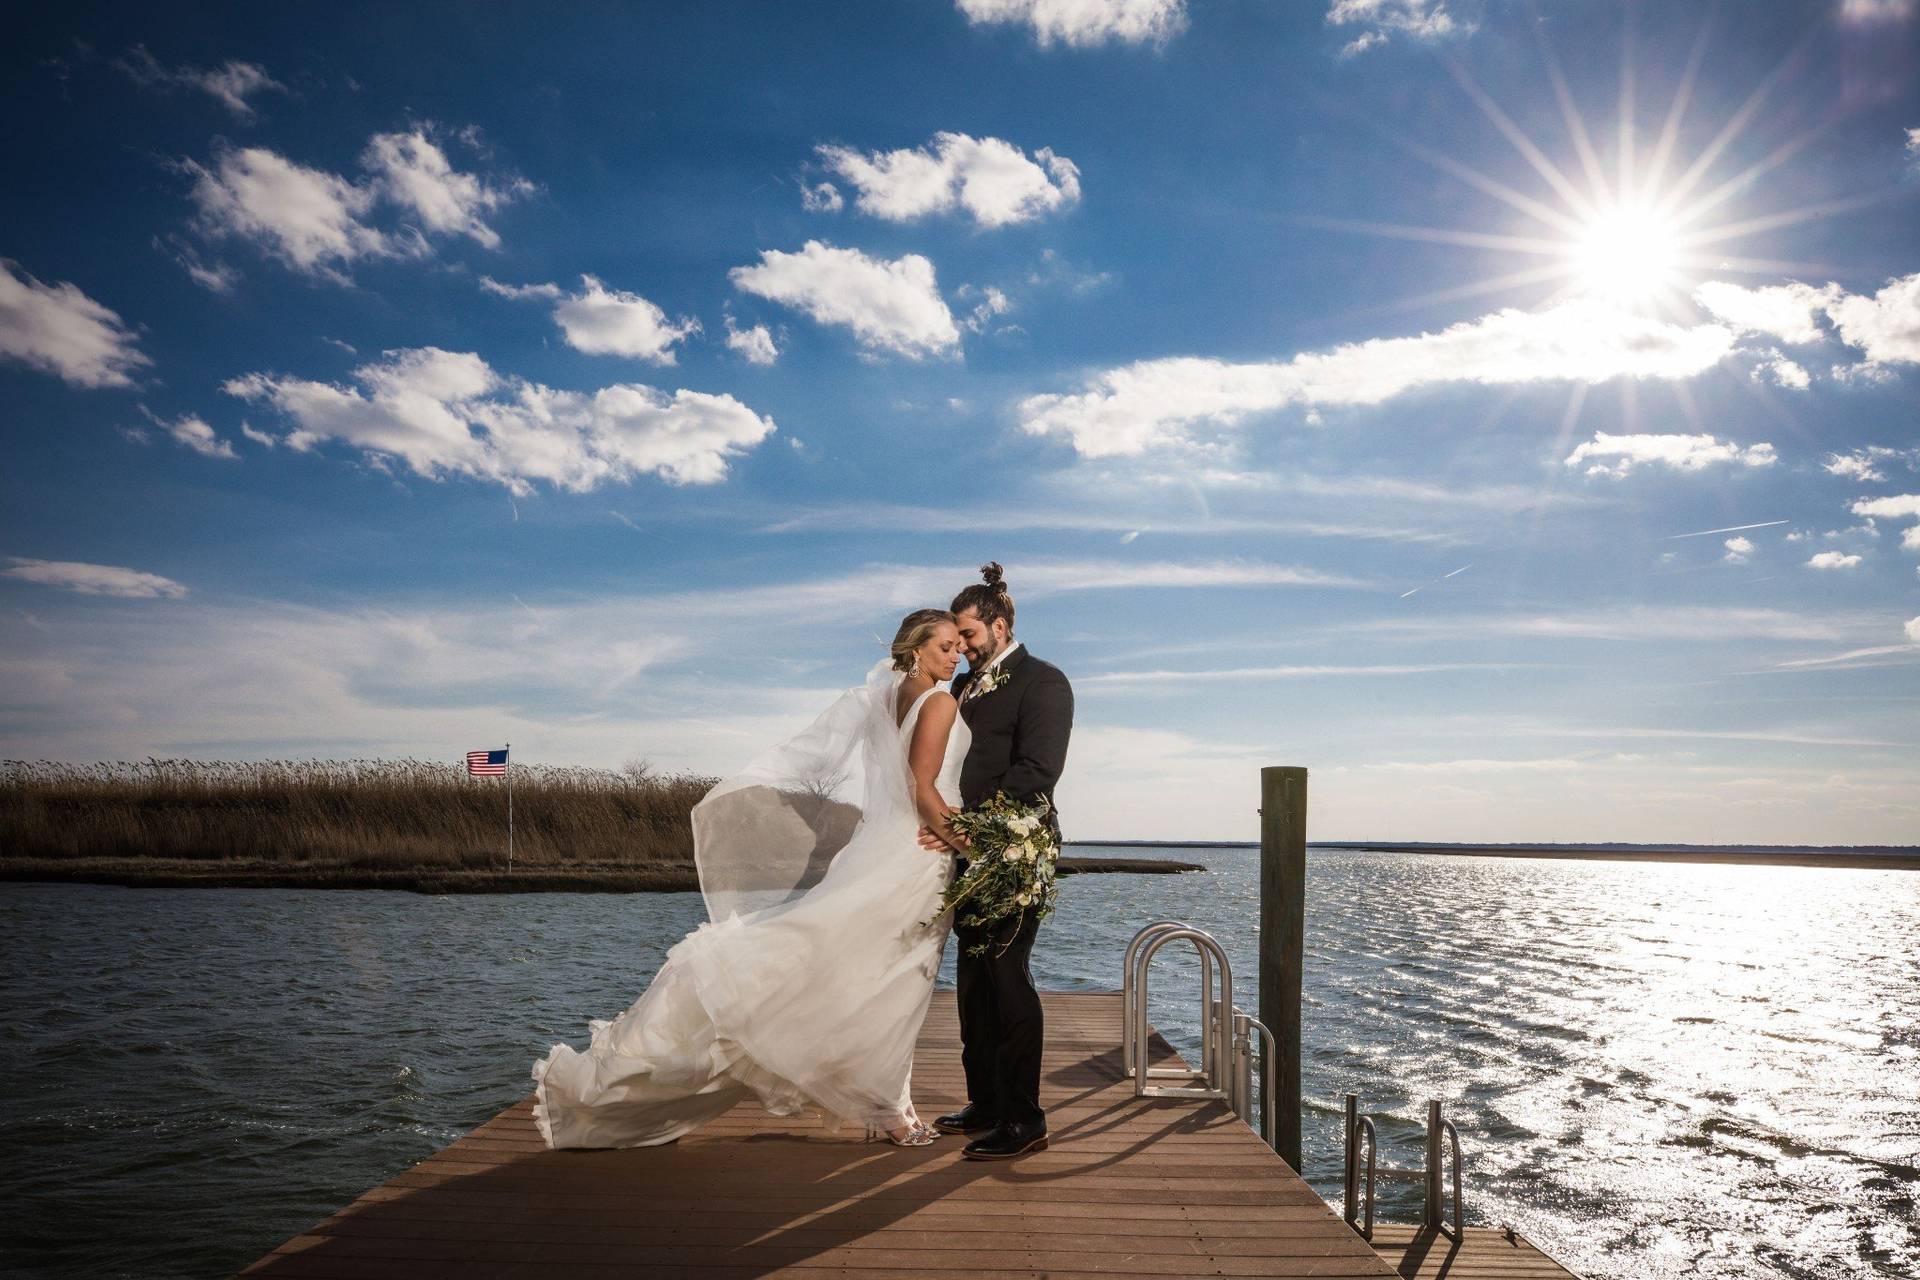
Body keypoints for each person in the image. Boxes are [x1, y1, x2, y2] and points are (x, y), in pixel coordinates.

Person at [531, 608, 970, 1149]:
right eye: (946, 646)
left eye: (959, 646)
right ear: (915, 648)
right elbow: (924, 793)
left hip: (886, 847)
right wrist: (983, 847)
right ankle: (890, 1110)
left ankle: (884, 1104)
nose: (957, 655)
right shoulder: (941, 701)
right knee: (897, 980)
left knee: (874, 975)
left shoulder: (886, 698)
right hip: (915, 858)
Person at [920, 562, 1074, 1161]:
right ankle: (984, 1102)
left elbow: (1038, 771)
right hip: (966, 851)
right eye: (955, 638)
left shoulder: (1044, 682)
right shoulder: (960, 689)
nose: (961, 647)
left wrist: (972, 828)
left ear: (1001, 626)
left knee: (1008, 974)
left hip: (1017, 847)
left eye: (971, 636)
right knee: (972, 984)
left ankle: (1025, 1118)